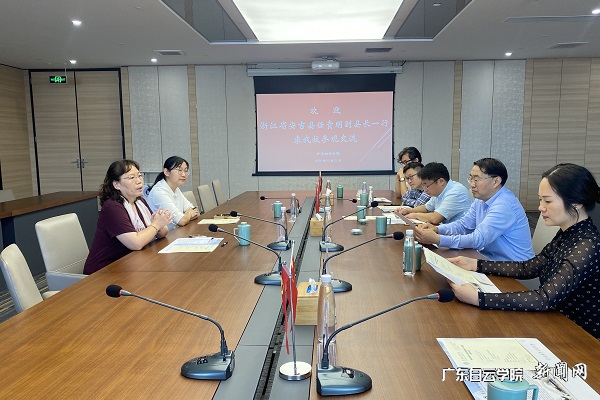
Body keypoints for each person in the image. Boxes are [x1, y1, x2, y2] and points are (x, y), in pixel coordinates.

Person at [448, 163, 600, 339]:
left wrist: (479, 298)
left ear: (576, 202)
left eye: (548, 201)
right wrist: (475, 264)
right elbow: (528, 267)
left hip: (580, 336)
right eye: (540, 200)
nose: (540, 207)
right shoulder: (568, 233)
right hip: (555, 322)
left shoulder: (587, 245)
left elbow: (543, 298)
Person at [414, 158, 534, 261]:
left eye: (476, 179)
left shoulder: (504, 204)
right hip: (488, 259)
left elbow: (478, 239)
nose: (472, 184)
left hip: (514, 268)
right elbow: (463, 225)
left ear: (496, 181)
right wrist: (437, 229)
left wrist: (438, 239)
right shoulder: (481, 200)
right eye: (471, 179)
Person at [83, 160, 172, 275]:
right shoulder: (112, 207)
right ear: (116, 184)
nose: (139, 181)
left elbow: (162, 233)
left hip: (130, 263)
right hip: (104, 272)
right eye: (131, 177)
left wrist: (159, 224)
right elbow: (136, 243)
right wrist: (156, 224)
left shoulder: (139, 202)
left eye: (139, 176)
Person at [399, 162, 472, 224]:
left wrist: (414, 215)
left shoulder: (455, 192)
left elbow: (435, 218)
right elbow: (427, 208)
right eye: (423, 186)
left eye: (427, 185)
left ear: (441, 181)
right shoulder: (439, 192)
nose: (425, 190)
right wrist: (409, 211)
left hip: (461, 234)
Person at [147, 156, 198, 230]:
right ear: (166, 172)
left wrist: (186, 216)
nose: (183, 174)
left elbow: (195, 211)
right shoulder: (159, 192)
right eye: (179, 170)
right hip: (164, 236)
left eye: (186, 170)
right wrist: (188, 214)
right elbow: (182, 221)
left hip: (176, 232)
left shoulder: (176, 188)